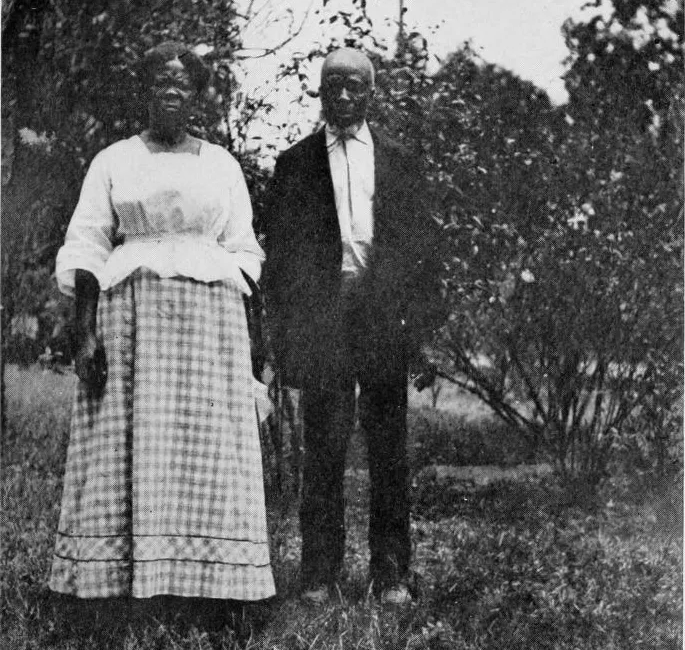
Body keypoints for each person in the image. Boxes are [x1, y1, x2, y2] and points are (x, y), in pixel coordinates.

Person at [50, 41, 275, 610]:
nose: (171, 91)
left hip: (209, 328)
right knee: (128, 440)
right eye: (160, 81)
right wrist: (86, 331)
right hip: (132, 323)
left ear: (197, 95)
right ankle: (118, 582)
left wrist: (246, 345)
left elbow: (243, 249)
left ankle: (213, 584)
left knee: (206, 445)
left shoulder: (222, 164)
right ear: (144, 90)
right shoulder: (114, 160)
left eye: (183, 83)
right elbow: (87, 245)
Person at [263, 47, 442, 606]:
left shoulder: (400, 160)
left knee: (389, 449)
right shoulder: (294, 163)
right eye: (333, 84)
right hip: (323, 320)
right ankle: (320, 574)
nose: (343, 95)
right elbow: (283, 260)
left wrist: (421, 334)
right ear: (320, 90)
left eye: (354, 86)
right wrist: (286, 337)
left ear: (371, 93)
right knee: (324, 447)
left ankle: (391, 574)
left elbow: (422, 250)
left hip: (383, 316)